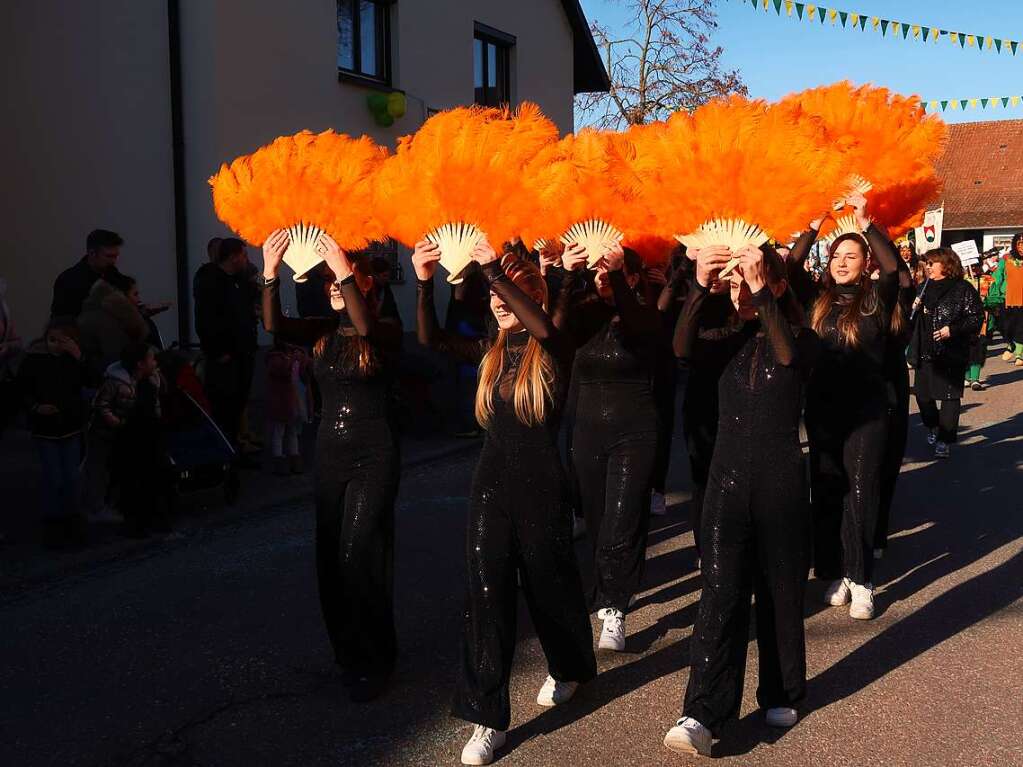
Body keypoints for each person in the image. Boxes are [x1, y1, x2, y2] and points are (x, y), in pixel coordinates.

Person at [414, 238, 596, 766]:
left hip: (543, 485)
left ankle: (569, 666)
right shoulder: (490, 351)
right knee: (486, 593)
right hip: (491, 483)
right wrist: (423, 281)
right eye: (494, 295)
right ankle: (485, 716)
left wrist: (495, 269)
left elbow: (542, 325)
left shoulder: (555, 344)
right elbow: (429, 338)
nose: (498, 301)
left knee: (550, 588)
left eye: (510, 293)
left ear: (530, 297)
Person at [664, 243, 818, 757]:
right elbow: (681, 347)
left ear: (776, 285)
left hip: (781, 481)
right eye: (735, 286)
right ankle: (701, 713)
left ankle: (782, 689)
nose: (741, 294)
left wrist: (760, 287)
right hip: (725, 481)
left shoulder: (799, 336)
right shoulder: (720, 338)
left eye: (750, 283)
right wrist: (700, 282)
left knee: (779, 589)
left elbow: (787, 356)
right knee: (719, 592)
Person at [261, 228, 403, 704]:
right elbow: (274, 326)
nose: (333, 289)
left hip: (374, 450)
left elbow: (365, 329)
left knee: (360, 552)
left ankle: (378, 656)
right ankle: (349, 653)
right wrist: (268, 272)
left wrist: (345, 269)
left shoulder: (383, 330)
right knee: (330, 556)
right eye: (329, 284)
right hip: (329, 450)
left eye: (343, 282)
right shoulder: (322, 331)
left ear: (364, 287)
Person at [788, 194, 901, 621]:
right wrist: (814, 223)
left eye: (851, 255)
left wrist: (866, 220)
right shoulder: (816, 298)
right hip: (822, 411)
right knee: (828, 491)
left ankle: (862, 579)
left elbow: (893, 266)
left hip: (867, 411)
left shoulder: (877, 299)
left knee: (862, 490)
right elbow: (789, 269)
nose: (841, 261)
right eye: (836, 254)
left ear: (864, 262)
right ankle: (834, 571)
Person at [556, 240, 661, 652]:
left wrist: (618, 274)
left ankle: (615, 606)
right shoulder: (583, 315)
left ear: (631, 276)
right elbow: (554, 331)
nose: (602, 276)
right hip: (586, 432)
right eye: (597, 271)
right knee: (599, 521)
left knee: (623, 517)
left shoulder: (643, 314)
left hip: (635, 432)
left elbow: (639, 328)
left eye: (612, 270)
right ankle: (604, 590)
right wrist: (567, 275)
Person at [908, 248, 983, 458]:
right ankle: (932, 426)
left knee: (949, 396)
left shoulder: (963, 289)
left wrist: (953, 329)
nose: (928, 267)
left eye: (932, 263)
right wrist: (912, 309)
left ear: (947, 264)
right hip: (925, 349)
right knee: (923, 397)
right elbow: (912, 321)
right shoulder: (923, 287)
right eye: (927, 263)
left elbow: (976, 317)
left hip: (951, 352)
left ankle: (944, 440)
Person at [17, 320, 86, 546]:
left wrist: (78, 357)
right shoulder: (34, 361)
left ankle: (72, 522)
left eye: (61, 340)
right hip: (45, 428)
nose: (55, 345)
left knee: (72, 477)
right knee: (54, 477)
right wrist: (36, 407)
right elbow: (22, 389)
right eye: (51, 340)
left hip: (70, 425)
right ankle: (54, 525)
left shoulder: (73, 361)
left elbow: (90, 380)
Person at [195, 238, 259, 461]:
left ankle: (235, 451)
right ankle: (224, 457)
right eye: (243, 255)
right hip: (226, 358)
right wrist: (218, 352)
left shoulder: (239, 281)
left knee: (238, 405)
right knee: (224, 408)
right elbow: (205, 321)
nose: (246, 259)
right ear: (233, 257)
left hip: (243, 353)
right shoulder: (211, 282)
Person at [111, 343, 168, 537]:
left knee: (149, 480)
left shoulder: (150, 383)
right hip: (135, 441)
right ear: (140, 364)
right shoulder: (124, 388)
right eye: (151, 359)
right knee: (136, 481)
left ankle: (150, 518)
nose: (155, 362)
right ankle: (139, 522)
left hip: (149, 440)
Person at [77, 272, 150, 385]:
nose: (138, 300)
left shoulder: (102, 313)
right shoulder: (108, 321)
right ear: (121, 296)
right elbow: (116, 360)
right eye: (135, 294)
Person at [264, 338, 311, 475]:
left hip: (293, 402)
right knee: (279, 432)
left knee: (292, 432)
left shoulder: (290, 356)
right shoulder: (275, 359)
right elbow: (283, 371)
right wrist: (293, 360)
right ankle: (280, 462)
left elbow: (306, 369)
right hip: (282, 402)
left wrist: (301, 356)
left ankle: (294, 459)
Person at [51, 229, 124, 318]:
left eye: (116, 256)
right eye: (109, 256)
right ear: (92, 253)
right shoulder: (69, 280)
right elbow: (62, 321)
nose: (114, 261)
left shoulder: (114, 275)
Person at [992, 233, 1023, 365]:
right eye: (1020, 244)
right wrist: (994, 292)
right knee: (1005, 327)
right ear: (1015, 245)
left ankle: (1019, 356)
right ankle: (1011, 345)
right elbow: (997, 277)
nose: (1022, 247)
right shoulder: (1005, 259)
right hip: (1007, 298)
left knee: (1021, 328)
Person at [965, 262, 996, 391]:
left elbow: (996, 297)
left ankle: (975, 379)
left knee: (978, 349)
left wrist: (987, 301)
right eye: (971, 266)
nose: (974, 269)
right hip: (964, 321)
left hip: (983, 320)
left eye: (976, 265)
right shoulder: (961, 281)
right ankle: (967, 376)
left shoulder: (988, 280)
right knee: (965, 349)